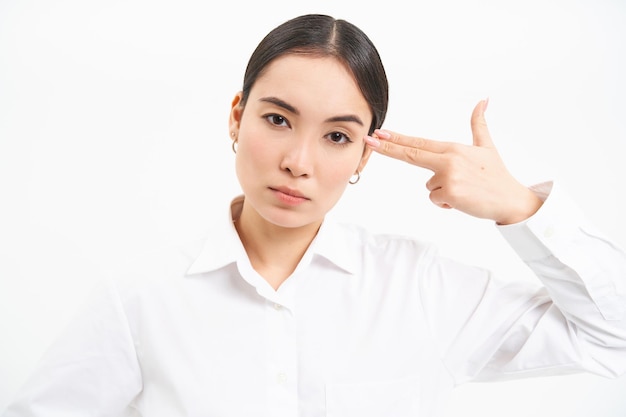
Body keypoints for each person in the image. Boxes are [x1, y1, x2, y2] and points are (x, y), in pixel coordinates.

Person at [3, 13, 626, 417]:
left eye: (336, 136)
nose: (298, 161)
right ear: (235, 117)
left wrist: (519, 207)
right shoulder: (141, 298)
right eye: (278, 120)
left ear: (364, 154)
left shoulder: (420, 289)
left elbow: (614, 339)